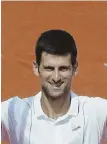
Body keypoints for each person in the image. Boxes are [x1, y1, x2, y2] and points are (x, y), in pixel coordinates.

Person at [1, 29, 107, 144]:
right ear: (36, 68)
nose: (56, 78)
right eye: (49, 68)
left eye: (63, 68)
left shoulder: (95, 112)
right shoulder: (15, 112)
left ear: (75, 68)